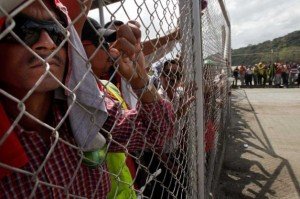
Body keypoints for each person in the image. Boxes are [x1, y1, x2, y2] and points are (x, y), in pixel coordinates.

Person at [0, 0, 175, 198]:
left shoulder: (82, 110)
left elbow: (158, 132)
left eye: (57, 32)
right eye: (25, 30)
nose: (48, 44)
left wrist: (140, 80)